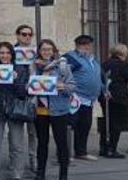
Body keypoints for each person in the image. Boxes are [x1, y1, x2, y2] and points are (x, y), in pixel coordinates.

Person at [0, 42, 29, 180]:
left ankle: (17, 174)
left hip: (15, 109)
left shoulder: (19, 69)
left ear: (12, 55)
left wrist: (14, 80)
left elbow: (22, 93)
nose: (5, 55)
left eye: (8, 53)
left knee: (16, 145)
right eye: (2, 53)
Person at [31, 39, 74, 180]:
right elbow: (28, 86)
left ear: (53, 51)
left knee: (61, 143)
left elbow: (72, 86)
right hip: (41, 110)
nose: (46, 52)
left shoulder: (62, 66)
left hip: (59, 110)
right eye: (43, 50)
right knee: (42, 143)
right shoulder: (33, 66)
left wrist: (64, 87)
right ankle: (40, 173)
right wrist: (30, 87)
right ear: (39, 51)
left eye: (49, 49)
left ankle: (63, 174)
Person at [63, 34, 105, 161]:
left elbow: (98, 77)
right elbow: (63, 74)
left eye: (89, 44)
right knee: (70, 125)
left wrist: (104, 89)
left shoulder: (92, 59)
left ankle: (81, 152)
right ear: (77, 45)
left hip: (89, 100)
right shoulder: (70, 57)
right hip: (75, 98)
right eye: (83, 44)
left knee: (85, 126)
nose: (87, 47)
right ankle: (66, 153)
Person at [99, 43, 128, 159]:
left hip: (104, 96)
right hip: (119, 98)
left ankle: (103, 148)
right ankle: (112, 149)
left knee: (106, 121)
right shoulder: (125, 66)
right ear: (124, 53)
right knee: (116, 123)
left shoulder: (104, 64)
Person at [13, 24, 37, 175]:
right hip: (15, 97)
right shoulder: (10, 52)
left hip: (33, 97)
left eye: (29, 34)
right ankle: (15, 163)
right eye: (23, 34)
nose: (27, 37)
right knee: (15, 135)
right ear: (17, 35)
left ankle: (33, 161)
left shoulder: (37, 53)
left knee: (33, 133)